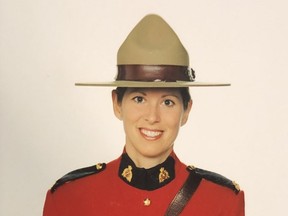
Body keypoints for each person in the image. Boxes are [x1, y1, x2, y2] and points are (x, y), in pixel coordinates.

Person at [43, 14, 245, 216]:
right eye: (139, 99)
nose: (152, 117)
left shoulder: (221, 201)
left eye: (168, 102)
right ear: (117, 104)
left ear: (186, 111)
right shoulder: (69, 197)